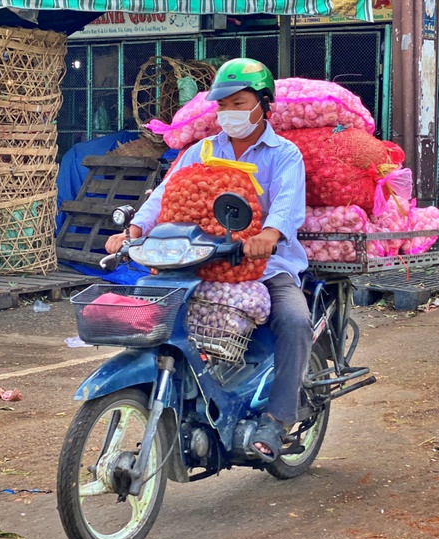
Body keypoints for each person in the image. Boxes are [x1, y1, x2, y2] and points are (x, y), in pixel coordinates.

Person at [104, 58, 312, 462]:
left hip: (266, 265)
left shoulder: (285, 154)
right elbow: (165, 194)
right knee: (158, 310)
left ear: (262, 104)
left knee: (294, 320)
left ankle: (278, 417)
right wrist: (133, 232)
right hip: (199, 260)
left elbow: (287, 206)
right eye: (223, 104)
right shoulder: (201, 150)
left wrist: (267, 236)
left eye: (239, 102)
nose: (229, 112)